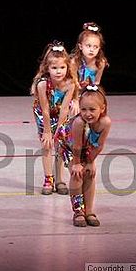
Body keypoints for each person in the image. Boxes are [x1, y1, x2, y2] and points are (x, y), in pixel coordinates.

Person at [55, 85, 111, 227]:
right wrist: (77, 163)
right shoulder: (79, 122)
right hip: (67, 144)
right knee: (78, 174)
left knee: (90, 174)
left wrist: (91, 162)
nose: (88, 114)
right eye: (83, 109)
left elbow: (99, 145)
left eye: (92, 110)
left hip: (86, 147)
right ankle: (78, 211)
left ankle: (89, 211)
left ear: (102, 109)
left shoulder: (105, 123)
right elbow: (77, 146)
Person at [31, 40, 78, 195]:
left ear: (67, 67)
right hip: (43, 114)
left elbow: (64, 108)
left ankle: (60, 180)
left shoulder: (70, 84)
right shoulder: (42, 84)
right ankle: (48, 178)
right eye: (54, 68)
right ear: (47, 68)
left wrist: (58, 130)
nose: (59, 71)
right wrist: (47, 131)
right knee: (47, 144)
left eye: (62, 67)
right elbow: (44, 109)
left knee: (60, 145)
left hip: (59, 113)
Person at [69, 22, 109, 115]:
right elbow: (72, 83)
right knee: (74, 110)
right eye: (88, 46)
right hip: (74, 93)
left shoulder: (100, 63)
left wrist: (94, 98)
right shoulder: (74, 62)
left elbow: (97, 83)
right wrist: (75, 99)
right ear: (80, 46)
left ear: (99, 48)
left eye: (95, 47)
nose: (92, 50)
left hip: (89, 93)